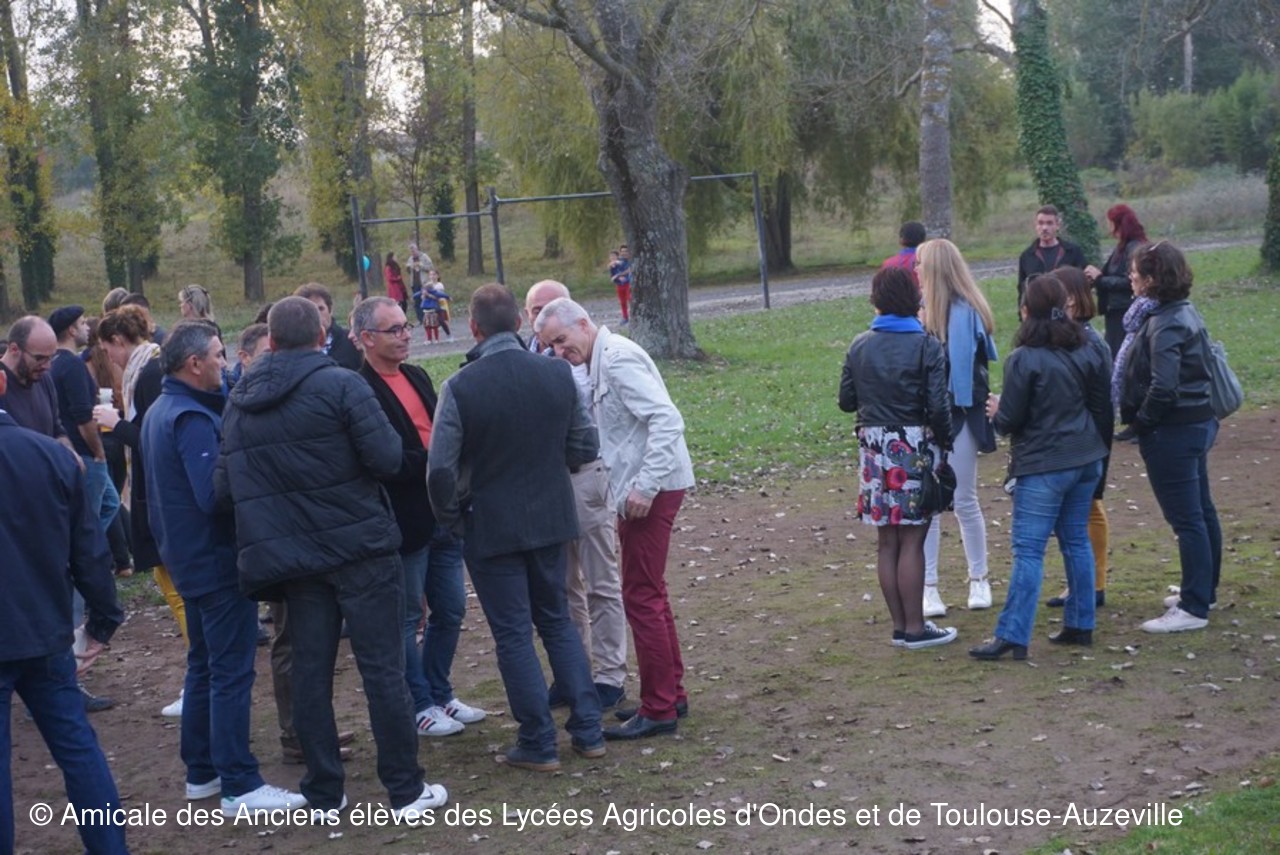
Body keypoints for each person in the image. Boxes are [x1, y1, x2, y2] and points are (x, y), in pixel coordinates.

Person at [217, 296, 446, 818]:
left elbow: (224, 488)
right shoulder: (343, 385)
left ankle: (324, 792)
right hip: (360, 549)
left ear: (272, 340)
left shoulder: (239, 400)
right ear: (323, 337)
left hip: (294, 558)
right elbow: (387, 457)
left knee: (310, 672)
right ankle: (405, 790)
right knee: (382, 669)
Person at [427, 284, 602, 770]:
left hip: (490, 525)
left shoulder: (460, 387)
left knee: (513, 635)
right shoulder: (558, 374)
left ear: (473, 328)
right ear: (521, 323)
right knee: (558, 621)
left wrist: (453, 520)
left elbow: (440, 471)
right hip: (551, 517)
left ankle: (538, 741)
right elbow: (585, 445)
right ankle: (588, 729)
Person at [143, 320, 306, 815]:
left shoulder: (161, 409)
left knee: (204, 665)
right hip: (214, 561)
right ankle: (240, 782)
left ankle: (202, 772)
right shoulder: (191, 417)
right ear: (194, 363)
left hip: (187, 558)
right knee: (231, 671)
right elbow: (212, 494)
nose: (225, 362)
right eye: (217, 354)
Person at [534, 297, 694, 739]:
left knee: (640, 595)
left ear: (583, 323)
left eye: (562, 340)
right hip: (637, 490)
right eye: (550, 347)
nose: (559, 352)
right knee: (650, 591)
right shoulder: (601, 359)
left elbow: (667, 419)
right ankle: (670, 694)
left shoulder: (618, 359)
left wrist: (645, 486)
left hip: (650, 491)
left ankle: (659, 708)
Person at [0, 363, 128, 855]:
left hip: (40, 630)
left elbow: (88, 549)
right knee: (78, 748)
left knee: (75, 749)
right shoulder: (51, 456)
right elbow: (90, 551)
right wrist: (103, 617)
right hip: (44, 627)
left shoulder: (48, 455)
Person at [353, 297, 486, 737]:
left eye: (406, 326)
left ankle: (439, 691)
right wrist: (434, 460)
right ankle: (419, 702)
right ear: (367, 338)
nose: (405, 335)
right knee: (408, 616)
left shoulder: (416, 375)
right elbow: (382, 459)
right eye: (393, 329)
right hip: (405, 520)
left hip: (441, 512)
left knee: (451, 608)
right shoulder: (360, 389)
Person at [971, 274, 1112, 661]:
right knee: (1076, 540)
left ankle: (1013, 633)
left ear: (1025, 310)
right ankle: (1081, 623)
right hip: (1085, 457)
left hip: (1045, 465)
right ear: (1065, 306)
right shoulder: (1089, 348)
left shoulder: (1024, 359)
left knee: (1029, 550)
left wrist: (998, 410)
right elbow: (1101, 406)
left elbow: (1009, 421)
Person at [839, 267, 957, 650]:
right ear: (914, 299)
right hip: (913, 446)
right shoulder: (927, 345)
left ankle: (900, 627)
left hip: (874, 449)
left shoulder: (859, 345)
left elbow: (846, 401)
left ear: (876, 300)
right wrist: (946, 442)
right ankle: (916, 628)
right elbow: (938, 406)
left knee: (887, 541)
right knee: (913, 539)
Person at [525, 280, 628, 711]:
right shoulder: (525, 359)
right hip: (545, 484)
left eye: (551, 308)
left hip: (586, 474)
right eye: (535, 310)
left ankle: (610, 674)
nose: (542, 316)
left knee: (601, 581)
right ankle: (574, 672)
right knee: (562, 586)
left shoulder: (593, 358)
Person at [1119, 242, 1221, 634]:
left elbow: (1164, 385)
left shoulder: (1165, 323)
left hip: (1175, 430)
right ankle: (1204, 590)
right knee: (1201, 510)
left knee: (1187, 518)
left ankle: (1193, 606)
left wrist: (1141, 424)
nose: (1130, 277)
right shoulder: (1181, 311)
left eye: (1135, 272)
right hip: (1196, 422)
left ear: (1152, 279)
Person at [95, 307, 183, 716]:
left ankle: (199, 679)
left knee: (177, 591)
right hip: (157, 493)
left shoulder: (148, 373)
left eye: (107, 349)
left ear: (118, 340)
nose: (109, 358)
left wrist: (115, 423)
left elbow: (152, 435)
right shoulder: (149, 367)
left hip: (158, 495)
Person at [917, 239, 998, 616]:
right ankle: (928, 587)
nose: (915, 270)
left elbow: (965, 376)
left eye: (920, 264)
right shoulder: (919, 313)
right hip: (925, 420)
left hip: (961, 414)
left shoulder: (967, 313)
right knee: (929, 504)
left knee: (964, 498)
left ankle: (979, 579)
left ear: (934, 269)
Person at [1044, 267, 1114, 609]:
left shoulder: (1089, 342)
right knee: (1085, 509)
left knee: (1088, 509)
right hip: (1083, 440)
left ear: (1071, 298)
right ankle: (1085, 583)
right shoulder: (1076, 338)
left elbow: (1102, 404)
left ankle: (1092, 585)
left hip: (1087, 442)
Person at [48, 305, 120, 531]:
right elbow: (83, 417)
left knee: (110, 503)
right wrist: (99, 452)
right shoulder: (73, 364)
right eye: (81, 324)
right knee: (88, 521)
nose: (87, 328)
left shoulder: (54, 363)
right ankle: (84, 551)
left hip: (70, 450)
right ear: (71, 331)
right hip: (86, 453)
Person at [1084, 204, 1148, 358]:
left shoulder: (1133, 248)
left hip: (1124, 309)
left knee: (1120, 353)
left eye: (1110, 222)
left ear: (1117, 224)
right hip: (1115, 309)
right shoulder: (1122, 247)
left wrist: (1099, 279)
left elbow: (1129, 281)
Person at [1016, 204, 1087, 303]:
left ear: (1057, 225)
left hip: (1067, 308)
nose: (1044, 228)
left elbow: (1083, 285)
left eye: (1049, 223)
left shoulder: (1073, 252)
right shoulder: (1027, 256)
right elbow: (1022, 290)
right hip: (1039, 309)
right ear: (1036, 225)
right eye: (1040, 223)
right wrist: (1022, 311)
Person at [294, 282, 363, 370]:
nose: (317, 315)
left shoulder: (352, 342)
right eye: (310, 311)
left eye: (321, 309)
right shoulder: (293, 348)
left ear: (330, 310)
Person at [608, 249, 631, 325]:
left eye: (614, 256)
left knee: (630, 298)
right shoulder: (612, 265)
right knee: (622, 301)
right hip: (619, 284)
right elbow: (612, 276)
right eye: (611, 256)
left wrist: (618, 275)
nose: (612, 258)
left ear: (617, 256)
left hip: (627, 283)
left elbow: (628, 270)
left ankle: (633, 315)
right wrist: (616, 278)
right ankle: (625, 317)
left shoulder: (623, 262)